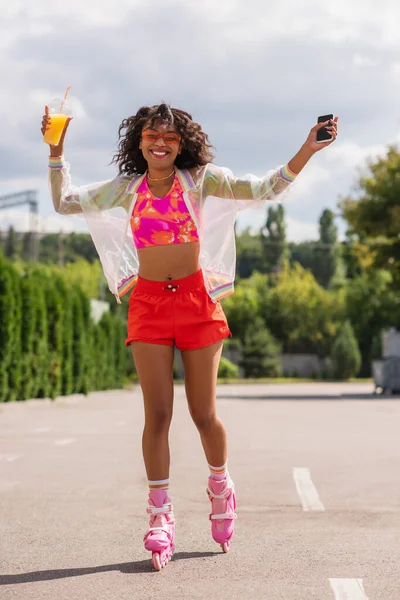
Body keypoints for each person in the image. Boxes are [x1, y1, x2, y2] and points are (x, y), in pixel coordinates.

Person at [42, 102, 338, 570]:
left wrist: (308, 148)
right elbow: (65, 202)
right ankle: (160, 515)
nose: (160, 143)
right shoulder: (127, 188)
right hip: (149, 306)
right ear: (138, 142)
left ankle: (220, 486)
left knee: (203, 415)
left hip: (198, 304)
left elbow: (265, 188)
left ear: (182, 143)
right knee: (156, 414)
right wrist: (57, 151)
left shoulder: (201, 180)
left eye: (169, 137)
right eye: (150, 136)